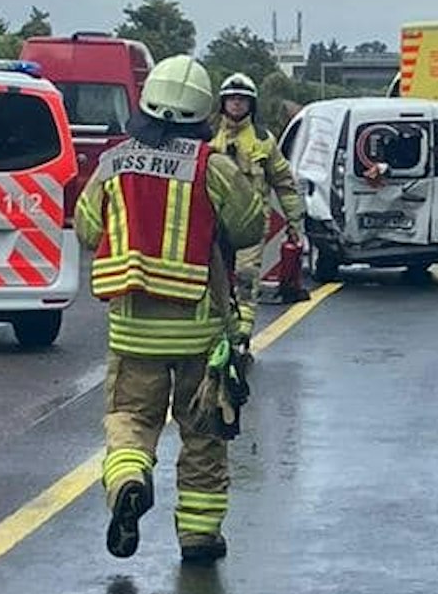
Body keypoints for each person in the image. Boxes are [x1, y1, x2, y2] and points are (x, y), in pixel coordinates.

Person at [75, 55, 265, 564]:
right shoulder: (213, 167)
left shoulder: (113, 163)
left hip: (133, 332)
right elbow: (251, 228)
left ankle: (130, 482)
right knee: (203, 434)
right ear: (205, 108)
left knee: (130, 420)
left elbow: (88, 227)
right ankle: (200, 537)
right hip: (200, 334)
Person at [211, 72, 308, 313]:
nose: (236, 103)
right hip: (212, 224)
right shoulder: (208, 137)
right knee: (212, 281)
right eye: (231, 98)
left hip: (250, 225)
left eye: (242, 99)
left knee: (246, 279)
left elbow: (285, 184)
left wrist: (295, 221)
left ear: (251, 105)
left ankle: (242, 335)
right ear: (222, 103)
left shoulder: (264, 140)